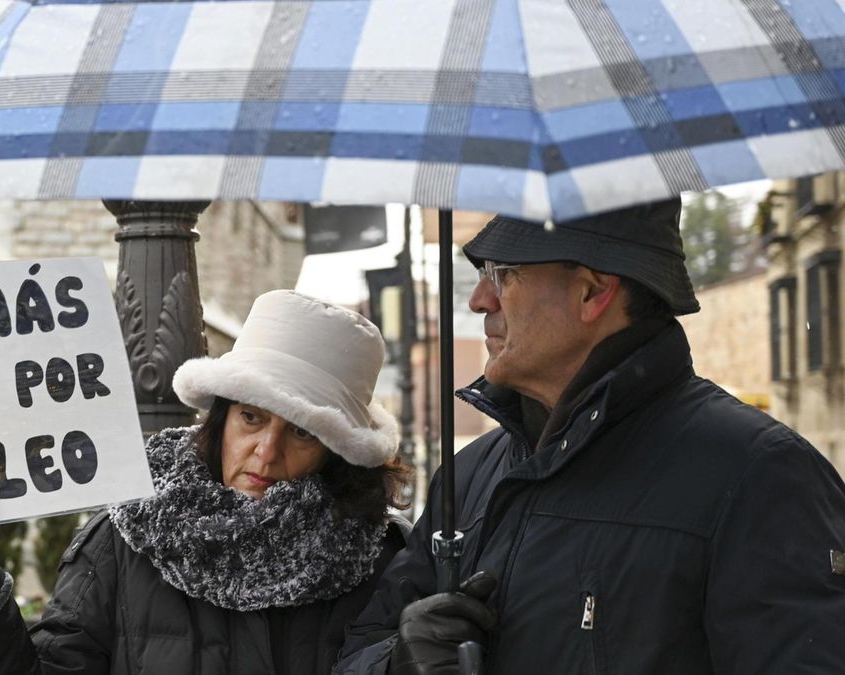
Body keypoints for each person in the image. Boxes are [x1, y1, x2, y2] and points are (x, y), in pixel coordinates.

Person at [333, 199, 845, 674]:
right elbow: (357, 652)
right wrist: (399, 660)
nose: (478, 300)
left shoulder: (758, 474)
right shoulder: (470, 475)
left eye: (502, 274)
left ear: (593, 292)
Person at [0, 289, 414, 673]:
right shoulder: (125, 537)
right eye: (250, 418)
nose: (266, 452)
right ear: (220, 418)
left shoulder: (382, 559)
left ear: (337, 454)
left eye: (302, 433)